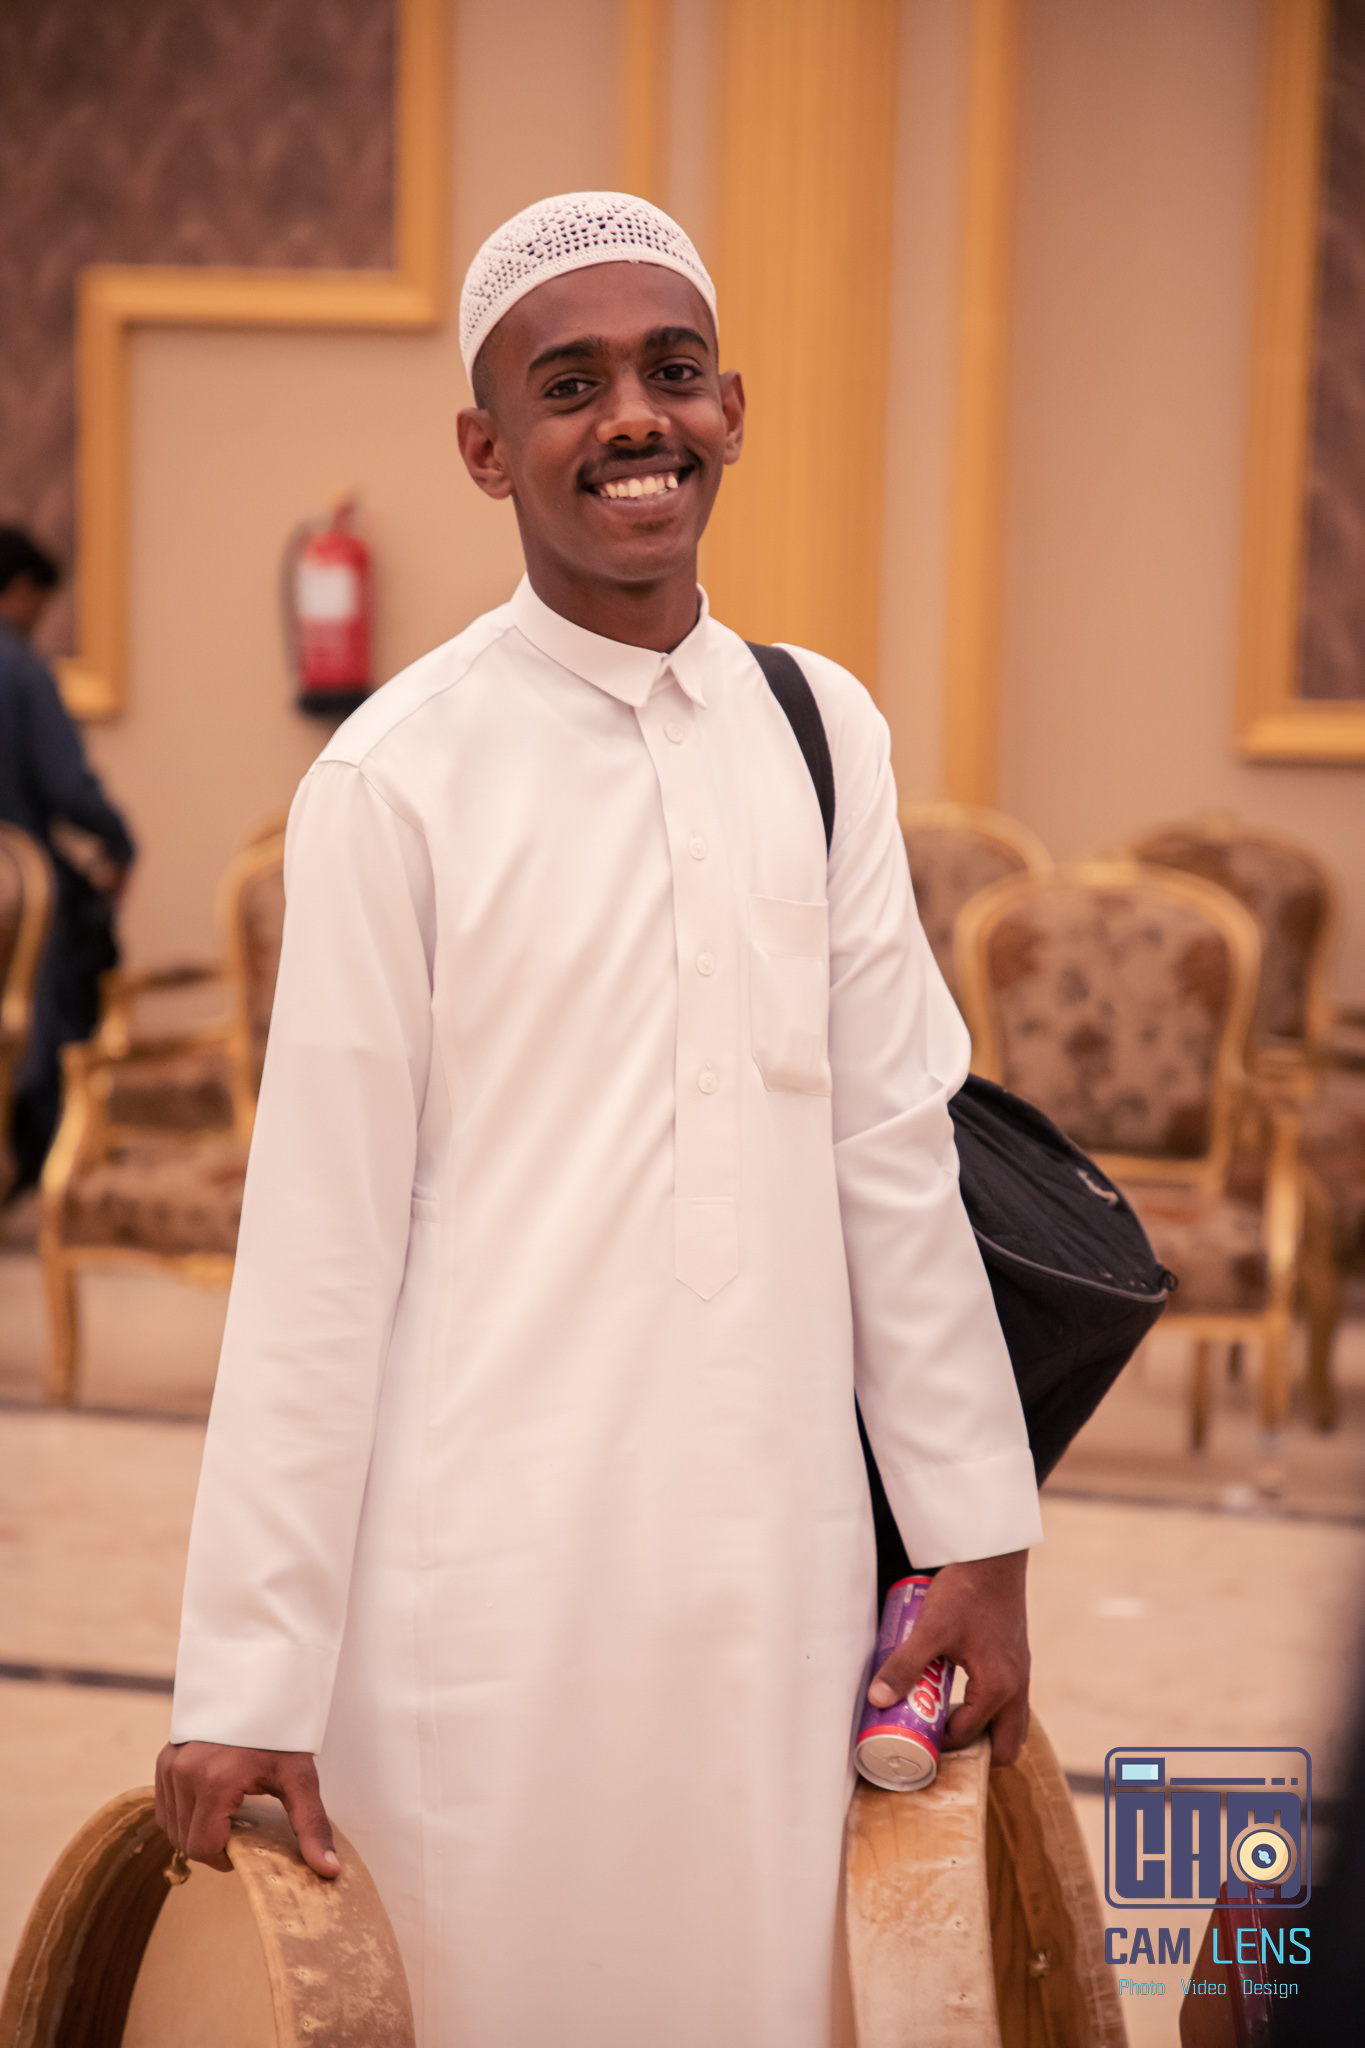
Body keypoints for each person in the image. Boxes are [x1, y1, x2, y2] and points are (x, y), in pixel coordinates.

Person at [157, 194, 1043, 2046]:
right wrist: (248, 1675)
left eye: (672, 370)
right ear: (486, 450)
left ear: (734, 408)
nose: (634, 417)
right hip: (487, 1576)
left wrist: (976, 1536)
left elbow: (894, 1145)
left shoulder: (822, 732)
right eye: (568, 385)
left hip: (780, 1566)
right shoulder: (395, 778)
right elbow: (320, 1244)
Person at [0, 528, 135, 1193]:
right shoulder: (22, 673)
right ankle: (52, 1165)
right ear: (21, 591)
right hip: (15, 889)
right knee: (51, 1005)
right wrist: (120, 844)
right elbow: (66, 787)